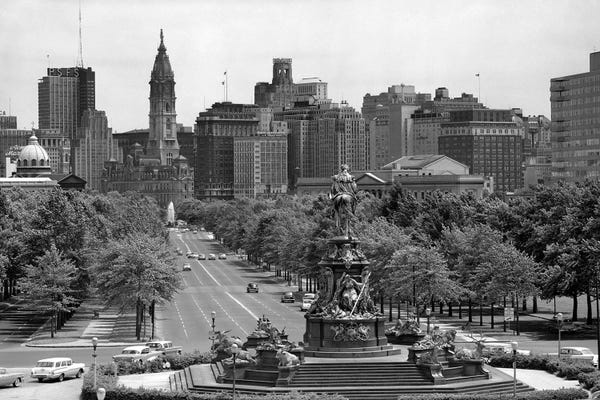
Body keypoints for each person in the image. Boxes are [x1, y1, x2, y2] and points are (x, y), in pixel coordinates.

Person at [330, 164, 358, 236]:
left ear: (341, 169)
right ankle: (353, 215)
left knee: (335, 209)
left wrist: (334, 193)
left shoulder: (336, 177)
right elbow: (354, 189)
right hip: (348, 194)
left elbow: (332, 189)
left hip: (338, 195)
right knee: (354, 203)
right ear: (347, 169)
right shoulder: (351, 177)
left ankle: (336, 221)